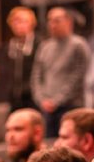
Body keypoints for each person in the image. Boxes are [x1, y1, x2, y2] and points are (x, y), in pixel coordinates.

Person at [31, 7, 89, 138]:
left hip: (71, 107)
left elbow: (78, 77)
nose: (52, 25)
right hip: (47, 108)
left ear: (68, 22)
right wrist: (41, 99)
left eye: (57, 21)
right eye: (50, 21)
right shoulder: (44, 47)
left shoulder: (78, 45)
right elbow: (36, 76)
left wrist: (57, 100)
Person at [3, 7, 40, 111]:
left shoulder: (40, 44)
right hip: (14, 96)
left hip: (34, 97)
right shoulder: (10, 46)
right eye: (15, 21)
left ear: (32, 23)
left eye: (23, 21)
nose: (19, 25)